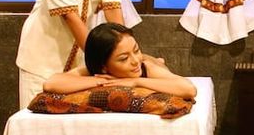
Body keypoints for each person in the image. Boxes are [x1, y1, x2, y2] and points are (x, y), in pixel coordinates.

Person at [43, 23, 196, 99]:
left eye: (136, 50)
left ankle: (157, 60)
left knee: (155, 61)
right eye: (124, 58)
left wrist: (136, 82)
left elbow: (188, 89)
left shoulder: (145, 67)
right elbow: (51, 84)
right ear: (104, 67)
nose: (135, 61)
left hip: (153, 63)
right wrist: (104, 81)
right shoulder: (95, 71)